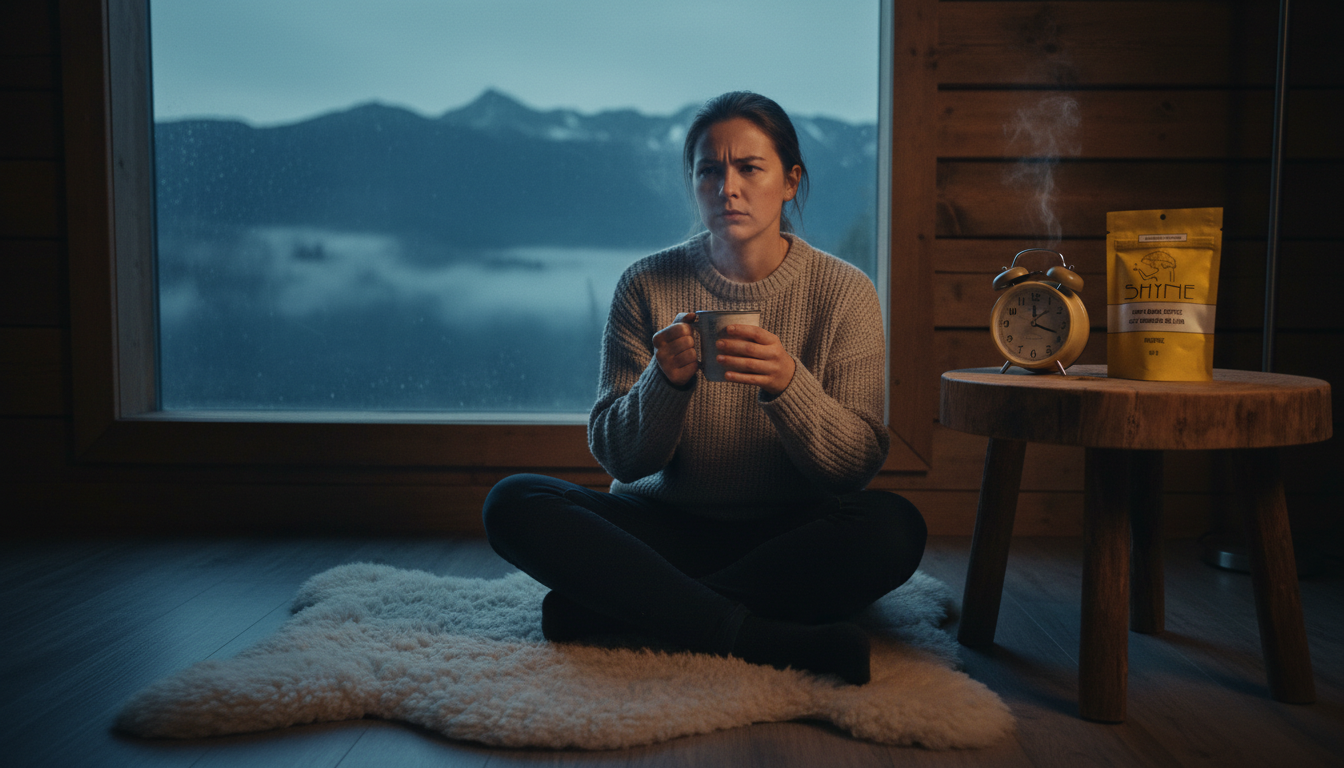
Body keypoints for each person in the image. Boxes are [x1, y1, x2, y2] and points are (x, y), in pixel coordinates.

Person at [483, 91, 925, 685]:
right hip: (660, 528)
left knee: (896, 527)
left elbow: (853, 468)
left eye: (750, 168)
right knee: (512, 502)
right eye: (709, 171)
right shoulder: (645, 283)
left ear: (790, 181)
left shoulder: (845, 292)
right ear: (692, 183)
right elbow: (620, 458)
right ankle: (752, 634)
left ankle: (630, 608)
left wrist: (788, 384)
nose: (727, 188)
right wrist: (664, 383)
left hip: (788, 534)